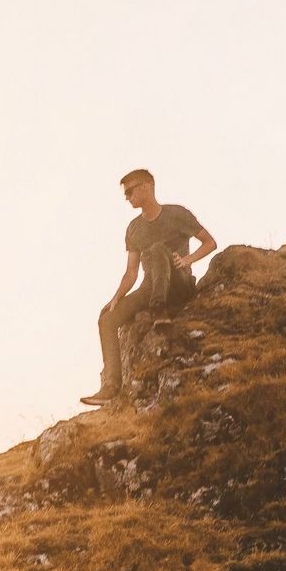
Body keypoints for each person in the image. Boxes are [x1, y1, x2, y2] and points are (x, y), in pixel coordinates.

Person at [82, 168, 217, 406]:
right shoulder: (134, 228)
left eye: (130, 191)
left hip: (179, 283)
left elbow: (210, 243)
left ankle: (159, 309)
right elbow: (131, 272)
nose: (127, 197)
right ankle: (111, 387)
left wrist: (187, 260)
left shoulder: (177, 213)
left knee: (156, 249)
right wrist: (115, 299)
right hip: (149, 286)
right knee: (107, 319)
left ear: (146, 186)